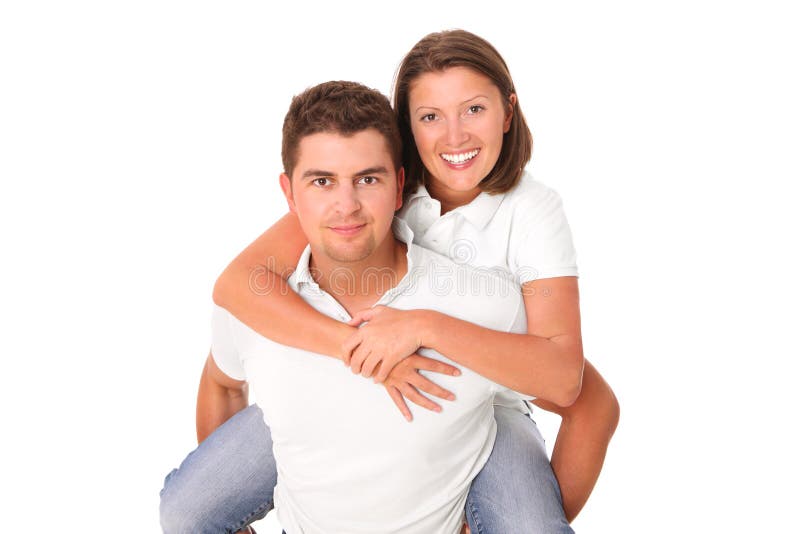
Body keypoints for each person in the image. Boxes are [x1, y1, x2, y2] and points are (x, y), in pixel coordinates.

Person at [161, 29, 619, 533]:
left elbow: (568, 382)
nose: (455, 136)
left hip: (493, 396)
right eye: (430, 117)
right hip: (334, 399)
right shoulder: (358, 186)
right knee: (188, 506)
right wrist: (356, 348)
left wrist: (425, 327)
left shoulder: (530, 215)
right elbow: (236, 286)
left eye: (474, 109)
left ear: (508, 111)